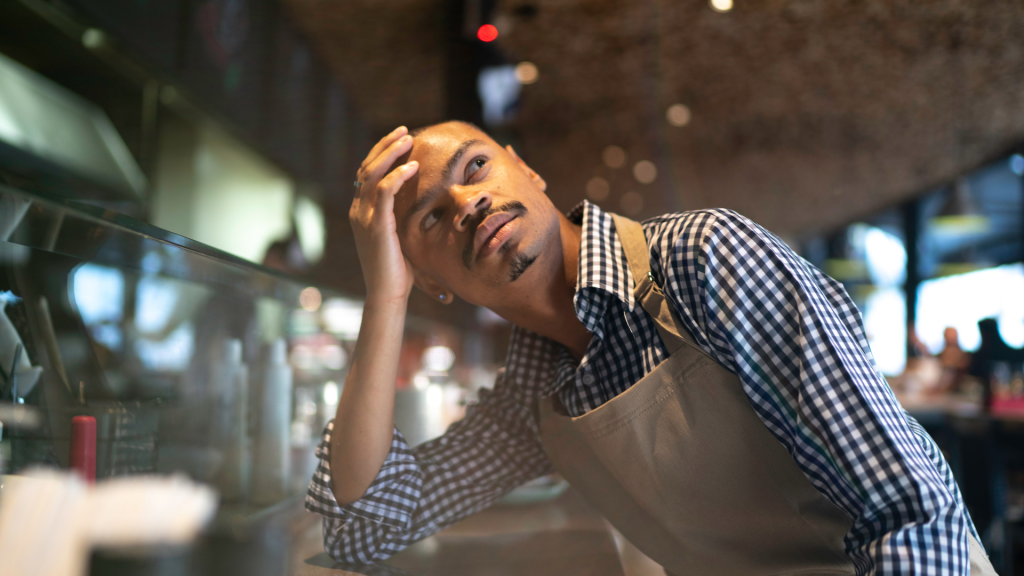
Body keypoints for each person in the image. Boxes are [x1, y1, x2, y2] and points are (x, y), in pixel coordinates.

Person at [305, 122, 994, 575]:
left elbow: (910, 510)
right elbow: (367, 528)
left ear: (528, 171)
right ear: (429, 280)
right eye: (431, 215)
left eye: (476, 166)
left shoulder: (704, 259)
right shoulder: (536, 395)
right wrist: (384, 300)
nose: (468, 202)